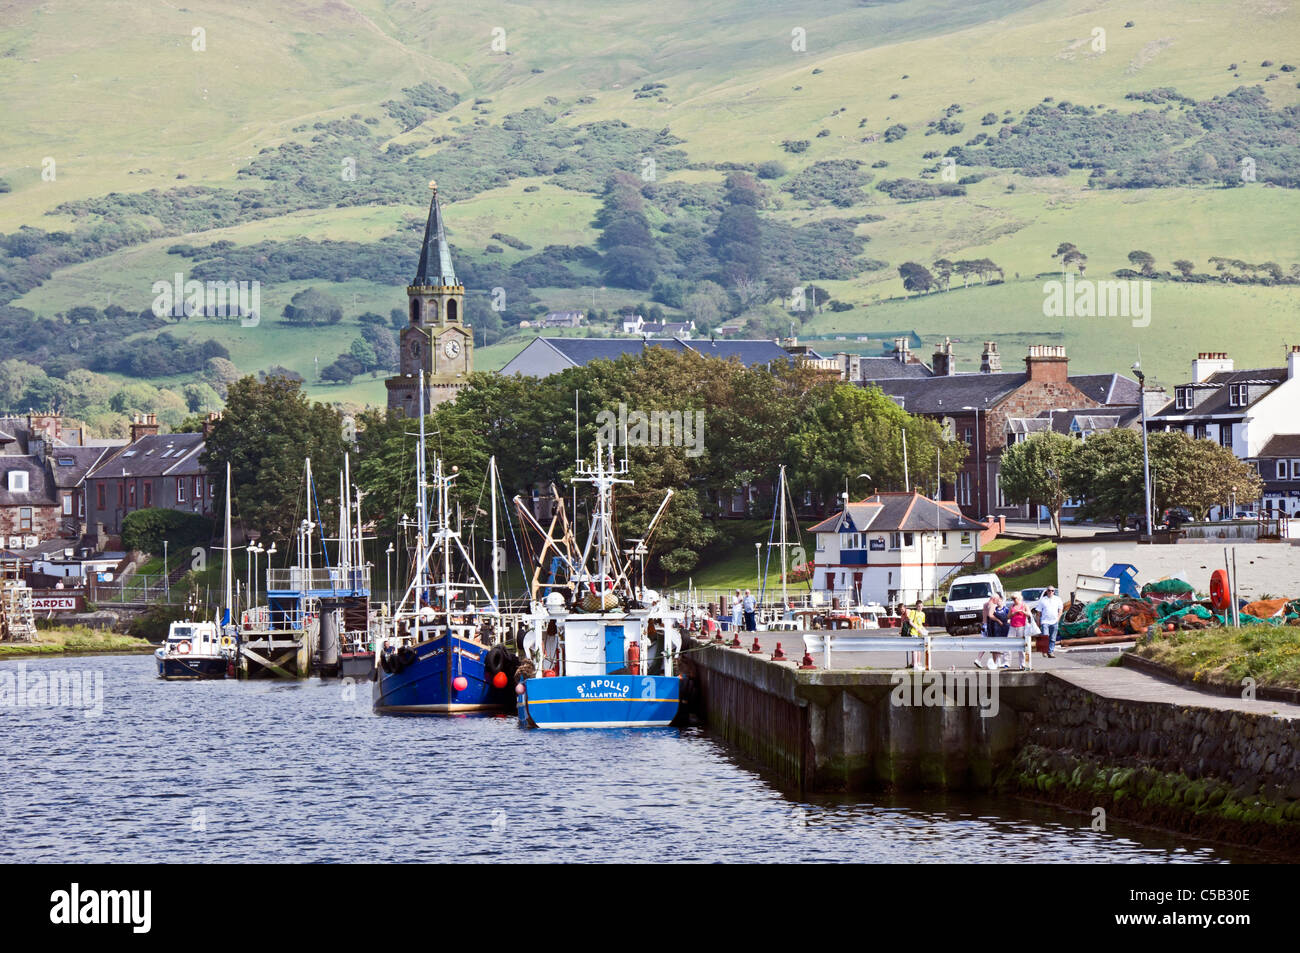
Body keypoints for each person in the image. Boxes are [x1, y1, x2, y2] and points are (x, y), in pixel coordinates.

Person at [1032, 585, 1064, 658]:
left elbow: (1060, 610)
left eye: (1052, 591)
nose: (1051, 592)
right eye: (1049, 590)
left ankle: (1051, 651)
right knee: (1045, 637)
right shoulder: (1043, 600)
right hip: (1045, 621)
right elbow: (1038, 613)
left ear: (1054, 592)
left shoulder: (1058, 599)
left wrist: (1058, 619)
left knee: (1053, 638)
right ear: (1047, 591)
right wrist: (1038, 623)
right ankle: (1044, 651)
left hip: (1054, 621)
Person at [974, 593, 1004, 670]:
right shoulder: (993, 605)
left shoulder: (985, 604)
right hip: (989, 626)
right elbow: (991, 615)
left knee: (985, 643)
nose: (997, 601)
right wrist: (999, 620)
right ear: (994, 599)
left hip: (984, 625)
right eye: (997, 599)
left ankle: (979, 659)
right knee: (994, 643)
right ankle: (996, 661)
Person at [1006, 594, 1030, 670]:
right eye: (1012, 598)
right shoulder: (1012, 606)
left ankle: (1022, 664)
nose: (1013, 600)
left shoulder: (1024, 605)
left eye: (1014, 598)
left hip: (1021, 627)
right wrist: (1014, 613)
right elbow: (1008, 616)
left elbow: (1029, 614)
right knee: (1008, 644)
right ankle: (1007, 662)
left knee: (1021, 646)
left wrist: (1023, 612)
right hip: (1013, 627)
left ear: (1019, 598)